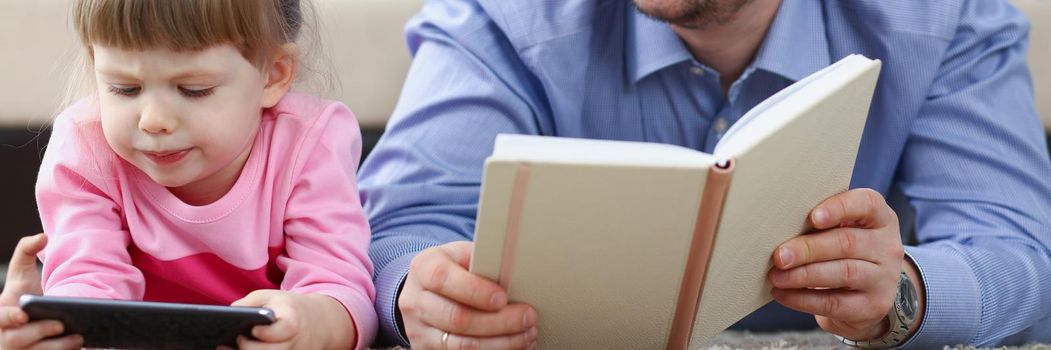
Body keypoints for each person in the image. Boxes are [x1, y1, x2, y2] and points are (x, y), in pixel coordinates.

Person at [359, 0, 1051, 349]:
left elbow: (1023, 253)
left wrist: (903, 290)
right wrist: (421, 300)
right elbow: (398, 230)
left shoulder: (940, 15)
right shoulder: (500, 16)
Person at [0, 0, 377, 349]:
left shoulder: (309, 141)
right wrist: (49, 322)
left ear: (272, 76)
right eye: (124, 89)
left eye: (194, 90)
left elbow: (341, 291)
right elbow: (88, 283)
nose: (154, 121)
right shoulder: (84, 146)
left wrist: (309, 324)